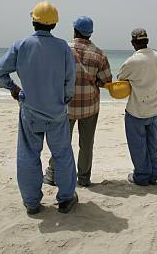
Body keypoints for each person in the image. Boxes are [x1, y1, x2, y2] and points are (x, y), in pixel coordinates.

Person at [0, 1, 78, 215]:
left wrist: (13, 89)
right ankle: (66, 198)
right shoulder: (63, 48)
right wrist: (65, 99)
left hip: (30, 111)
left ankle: (32, 203)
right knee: (63, 154)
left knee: (29, 155)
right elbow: (70, 81)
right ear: (54, 25)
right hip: (57, 112)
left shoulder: (21, 45)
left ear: (33, 21)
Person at [44, 16, 112, 187]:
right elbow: (106, 81)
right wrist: (95, 81)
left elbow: (52, 75)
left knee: (61, 142)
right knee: (86, 144)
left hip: (65, 106)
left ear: (75, 30)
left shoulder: (63, 49)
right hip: (90, 106)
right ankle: (83, 178)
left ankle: (53, 175)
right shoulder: (99, 54)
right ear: (90, 33)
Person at [117, 28, 157, 186]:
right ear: (147, 41)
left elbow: (120, 77)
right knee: (152, 144)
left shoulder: (132, 61)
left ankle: (142, 176)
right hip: (154, 108)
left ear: (133, 43)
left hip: (136, 110)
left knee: (138, 146)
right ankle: (154, 174)